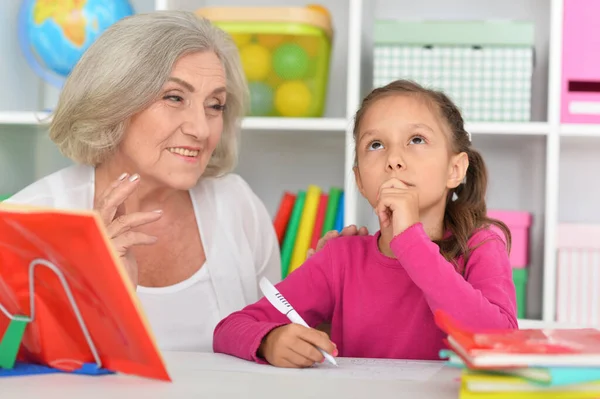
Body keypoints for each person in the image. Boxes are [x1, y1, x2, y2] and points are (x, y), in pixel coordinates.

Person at [3, 10, 357, 353]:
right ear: (112, 101)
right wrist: (93, 291)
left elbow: (264, 353)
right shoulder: (25, 222)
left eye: (215, 105)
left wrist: (321, 302)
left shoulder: (237, 205)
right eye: (174, 97)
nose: (201, 129)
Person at [212, 79, 519, 368]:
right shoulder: (339, 258)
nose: (394, 159)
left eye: (416, 139)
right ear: (359, 180)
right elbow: (230, 329)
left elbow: (499, 342)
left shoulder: (481, 245)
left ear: (455, 169)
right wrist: (269, 340)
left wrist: (411, 242)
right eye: (375, 145)